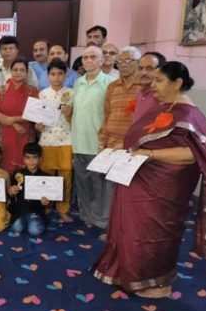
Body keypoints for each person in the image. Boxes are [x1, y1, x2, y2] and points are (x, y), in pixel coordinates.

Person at [92, 61, 206, 298]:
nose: (152, 85)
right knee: (131, 230)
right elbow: (142, 141)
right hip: (138, 179)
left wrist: (151, 155)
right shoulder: (163, 108)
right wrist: (123, 149)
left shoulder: (189, 114)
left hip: (164, 189)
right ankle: (128, 273)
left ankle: (151, 281)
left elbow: (193, 154)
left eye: (158, 80)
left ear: (177, 83)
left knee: (152, 233)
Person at [71, 46, 116, 229]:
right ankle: (87, 216)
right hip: (78, 142)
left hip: (98, 143)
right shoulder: (78, 83)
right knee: (83, 182)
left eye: (93, 57)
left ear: (101, 60)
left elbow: (110, 114)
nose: (88, 60)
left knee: (101, 185)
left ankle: (101, 219)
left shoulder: (110, 83)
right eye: (85, 57)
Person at [35, 59, 74, 223]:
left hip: (65, 141)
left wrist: (68, 113)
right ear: (48, 75)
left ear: (65, 75)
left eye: (60, 74)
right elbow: (38, 121)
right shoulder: (42, 94)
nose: (56, 77)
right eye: (53, 74)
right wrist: (38, 126)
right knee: (47, 176)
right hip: (46, 141)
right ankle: (47, 205)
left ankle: (63, 209)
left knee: (65, 178)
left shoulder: (72, 93)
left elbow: (77, 120)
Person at [0, 58, 39, 173]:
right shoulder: (1, 90)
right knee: (4, 163)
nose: (18, 72)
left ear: (27, 72)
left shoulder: (33, 91)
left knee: (25, 162)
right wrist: (15, 124)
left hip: (25, 133)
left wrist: (12, 119)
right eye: (15, 70)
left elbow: (34, 114)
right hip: (5, 132)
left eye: (22, 70)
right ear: (11, 71)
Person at [98, 46, 141, 151]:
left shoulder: (145, 86)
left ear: (138, 62)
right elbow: (107, 115)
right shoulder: (112, 86)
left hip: (134, 145)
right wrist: (102, 141)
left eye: (128, 60)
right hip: (111, 145)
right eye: (120, 61)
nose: (123, 65)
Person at [8, 143, 51, 238]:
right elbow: (10, 196)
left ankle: (31, 221)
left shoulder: (46, 177)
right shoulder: (17, 174)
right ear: (23, 158)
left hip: (36, 211)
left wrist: (47, 203)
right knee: (17, 227)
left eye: (34, 157)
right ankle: (24, 221)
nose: (31, 161)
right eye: (27, 158)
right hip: (19, 210)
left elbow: (50, 203)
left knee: (34, 231)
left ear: (40, 159)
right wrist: (11, 191)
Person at [132, 52, 166, 123]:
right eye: (140, 68)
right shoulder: (139, 92)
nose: (143, 73)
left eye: (150, 68)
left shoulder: (163, 95)